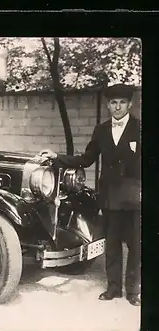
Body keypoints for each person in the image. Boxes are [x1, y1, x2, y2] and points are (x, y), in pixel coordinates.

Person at [39, 83, 141, 306]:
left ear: (130, 104)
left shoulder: (140, 128)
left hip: (135, 197)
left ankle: (133, 292)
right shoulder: (101, 130)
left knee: (136, 245)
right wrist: (58, 157)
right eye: (113, 102)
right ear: (108, 105)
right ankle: (114, 288)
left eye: (122, 102)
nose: (117, 107)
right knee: (112, 244)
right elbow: (87, 159)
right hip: (110, 197)